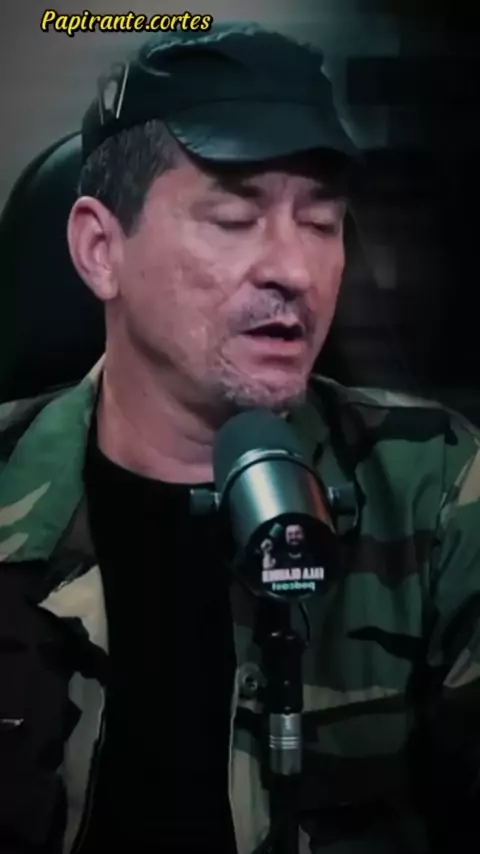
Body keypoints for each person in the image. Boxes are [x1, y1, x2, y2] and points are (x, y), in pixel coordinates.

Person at [0, 20, 479, 854]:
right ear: (100, 249)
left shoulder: (439, 490)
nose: (294, 270)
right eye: (233, 217)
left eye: (322, 222)